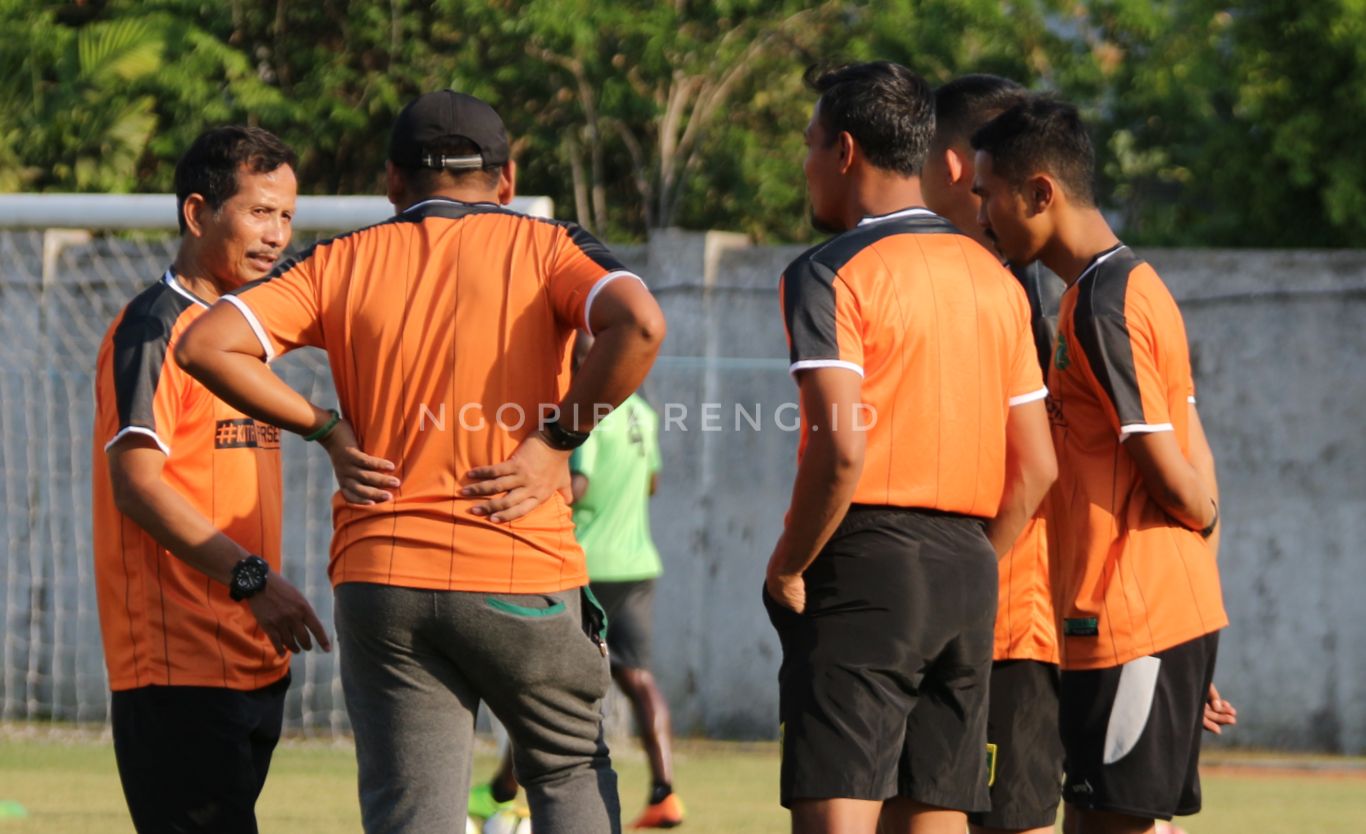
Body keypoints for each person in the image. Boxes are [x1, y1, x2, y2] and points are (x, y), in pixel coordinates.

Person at [175, 90, 666, 834]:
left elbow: (204, 345)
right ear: (507, 181)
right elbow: (641, 322)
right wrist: (555, 442)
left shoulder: (339, 258)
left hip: (383, 579)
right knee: (566, 772)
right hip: (519, 568)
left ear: (392, 183)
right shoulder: (550, 245)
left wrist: (327, 431)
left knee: (414, 810)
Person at [763, 62, 1057, 834]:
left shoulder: (828, 273)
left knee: (838, 805)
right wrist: (975, 563)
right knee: (934, 809)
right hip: (969, 570)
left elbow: (842, 449)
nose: (807, 164)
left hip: (864, 560)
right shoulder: (999, 280)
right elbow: (1038, 466)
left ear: (846, 151)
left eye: (810, 145)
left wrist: (790, 564)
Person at [971, 97, 1236, 834]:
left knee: (1114, 824)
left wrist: (1198, 541)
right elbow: (1197, 445)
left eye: (987, 194)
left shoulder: (1105, 304)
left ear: (1040, 192)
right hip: (1132, 622)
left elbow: (1170, 460)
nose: (983, 214)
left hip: (1134, 619)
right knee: (1102, 821)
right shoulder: (1113, 290)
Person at [91, 125, 335, 833]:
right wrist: (253, 579)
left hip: (252, 660)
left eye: (287, 216)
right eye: (260, 212)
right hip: (178, 668)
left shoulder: (237, 338)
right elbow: (136, 485)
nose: (277, 234)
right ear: (198, 213)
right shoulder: (152, 330)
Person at [922, 74, 1066, 834]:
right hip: (945, 609)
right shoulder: (938, 274)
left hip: (1007, 615)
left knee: (1014, 818)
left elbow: (1041, 466)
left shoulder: (1021, 286)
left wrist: (966, 575)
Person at [471, 332, 684, 830]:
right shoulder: (642, 415)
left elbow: (573, 483)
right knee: (638, 677)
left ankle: (513, 786)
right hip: (638, 561)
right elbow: (652, 481)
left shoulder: (583, 414)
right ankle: (664, 791)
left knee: (545, 683)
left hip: (585, 562)